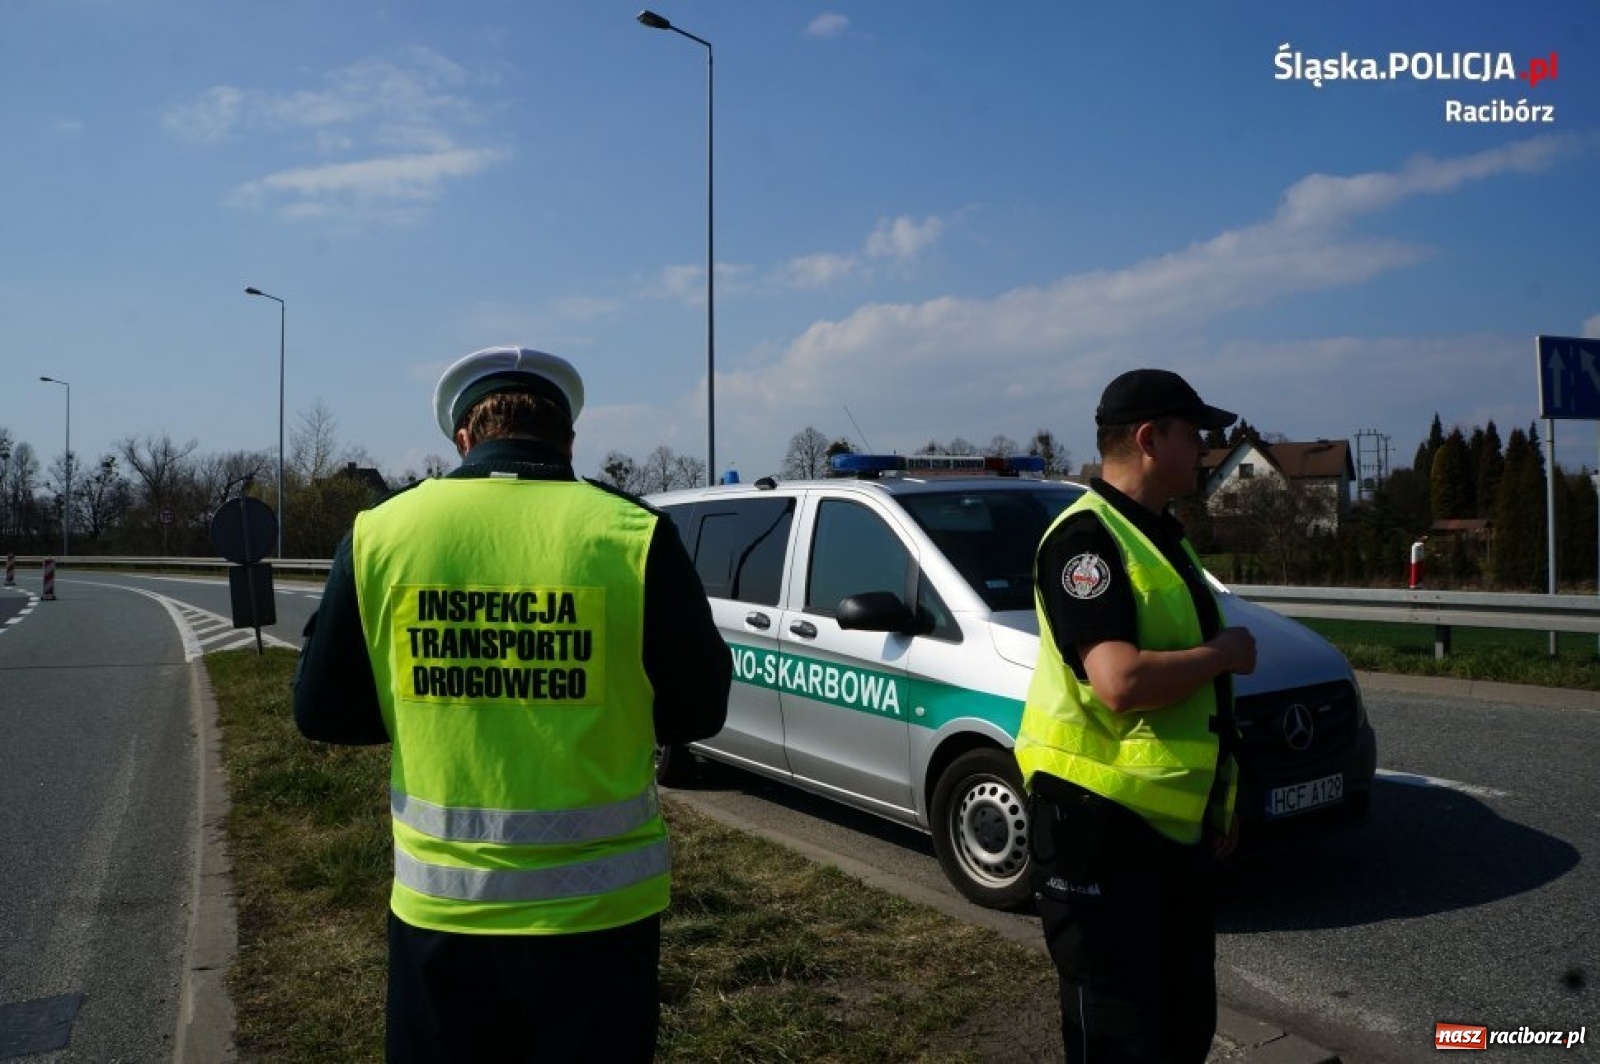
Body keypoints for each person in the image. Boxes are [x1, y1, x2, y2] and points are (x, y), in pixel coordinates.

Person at [293, 345, 731, 1063]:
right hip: (601, 917)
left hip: (441, 912)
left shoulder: (380, 533)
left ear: (464, 437)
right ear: (566, 440)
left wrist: (436, 702)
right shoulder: (633, 534)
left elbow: (321, 711)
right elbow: (699, 711)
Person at [1014, 367, 1257, 1063]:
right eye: (1196, 435)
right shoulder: (1085, 542)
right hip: (1097, 834)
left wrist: (1219, 796)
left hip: (1164, 840)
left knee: (1181, 1030)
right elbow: (1117, 681)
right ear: (1150, 439)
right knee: (1120, 1041)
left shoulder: (1159, 536)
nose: (1207, 449)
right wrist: (1223, 654)